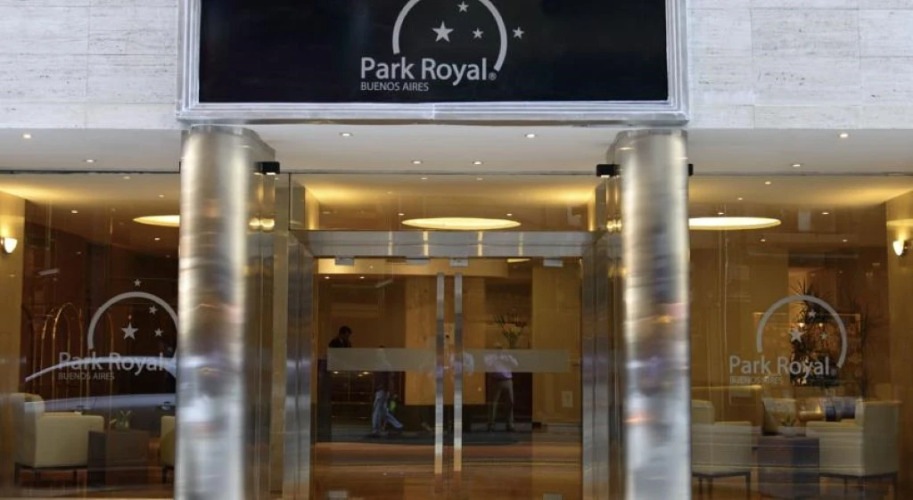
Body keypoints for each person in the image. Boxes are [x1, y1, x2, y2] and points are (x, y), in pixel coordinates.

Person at [318, 326, 353, 440]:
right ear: (342, 334)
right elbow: (332, 356)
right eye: (346, 335)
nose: (348, 337)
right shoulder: (334, 343)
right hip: (335, 370)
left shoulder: (348, 344)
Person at [486, 345, 519, 432]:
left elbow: (516, 364)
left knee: (510, 402)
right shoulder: (491, 357)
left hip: (507, 380)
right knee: (493, 403)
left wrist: (507, 358)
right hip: (495, 380)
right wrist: (496, 358)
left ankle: (510, 424)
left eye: (501, 349)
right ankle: (491, 425)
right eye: (498, 349)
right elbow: (487, 364)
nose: (500, 350)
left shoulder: (507, 357)